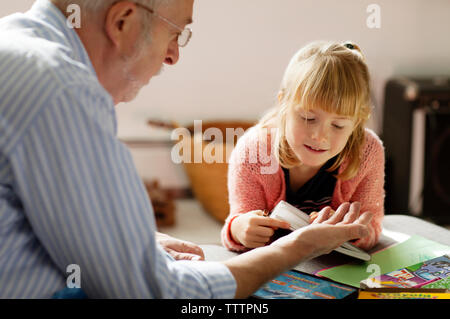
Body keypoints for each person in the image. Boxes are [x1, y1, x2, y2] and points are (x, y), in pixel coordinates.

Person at [0, 0, 372, 298]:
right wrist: (296, 248)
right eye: (176, 32)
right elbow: (151, 292)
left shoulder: (14, 43)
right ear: (123, 22)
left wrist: (134, 239)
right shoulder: (64, 90)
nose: (173, 55)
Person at [222, 41, 385, 252]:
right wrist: (239, 229)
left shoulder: (368, 152)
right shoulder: (252, 153)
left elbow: (373, 225)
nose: (319, 136)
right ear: (283, 104)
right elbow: (238, 221)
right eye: (308, 118)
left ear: (356, 123)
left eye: (338, 125)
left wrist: (348, 232)